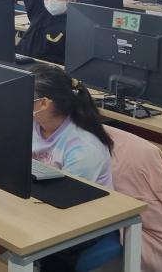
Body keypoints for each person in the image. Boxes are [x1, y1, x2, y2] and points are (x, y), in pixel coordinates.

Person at [31, 64, 114, 272]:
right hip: (40, 203)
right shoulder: (33, 124)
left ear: (44, 103)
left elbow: (66, 204)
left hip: (80, 220)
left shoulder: (83, 148)